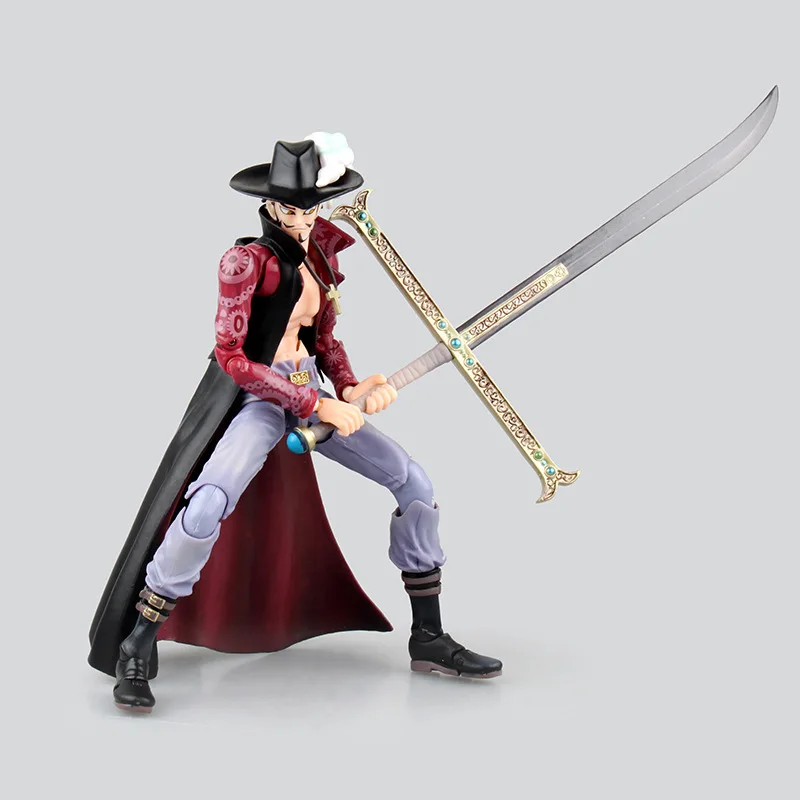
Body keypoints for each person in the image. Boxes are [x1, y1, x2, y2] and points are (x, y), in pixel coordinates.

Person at [88, 133, 502, 713]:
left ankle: (429, 636)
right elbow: (233, 358)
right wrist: (314, 405)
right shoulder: (245, 263)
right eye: (293, 208)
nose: (304, 220)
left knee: (414, 483)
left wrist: (350, 386)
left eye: (312, 208)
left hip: (311, 391)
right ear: (270, 205)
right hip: (260, 400)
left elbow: (323, 338)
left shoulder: (321, 257)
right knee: (206, 504)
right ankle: (138, 641)